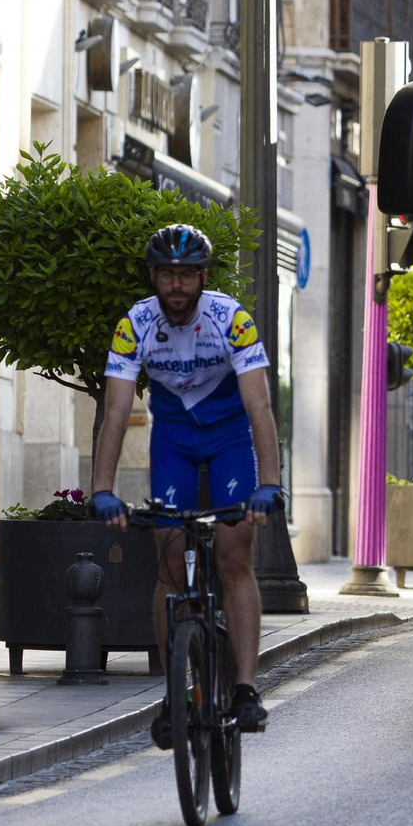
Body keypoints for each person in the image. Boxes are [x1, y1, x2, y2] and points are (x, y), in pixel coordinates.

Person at [89, 224, 284, 742]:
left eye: (187, 275)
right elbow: (116, 411)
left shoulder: (231, 320)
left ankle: (244, 689)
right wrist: (102, 489)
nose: (177, 285)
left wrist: (270, 483)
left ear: (202, 278)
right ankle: (174, 694)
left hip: (229, 439)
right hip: (173, 437)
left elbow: (258, 406)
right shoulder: (135, 324)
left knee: (233, 555)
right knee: (169, 560)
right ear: (154, 276)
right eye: (167, 275)